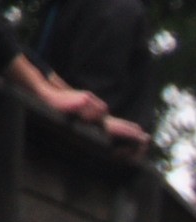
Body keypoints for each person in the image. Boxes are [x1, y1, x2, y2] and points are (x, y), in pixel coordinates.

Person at [31, 0, 155, 137]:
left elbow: (87, 106)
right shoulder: (119, 10)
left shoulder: (117, 10)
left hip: (55, 130)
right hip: (56, 128)